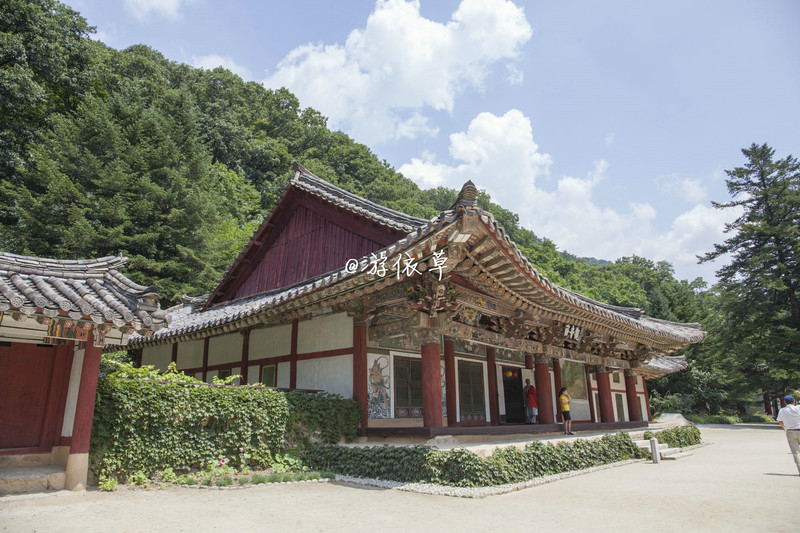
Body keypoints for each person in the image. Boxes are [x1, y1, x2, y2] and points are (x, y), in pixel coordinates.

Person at [776, 394, 800, 476]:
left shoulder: (782, 410)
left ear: (785, 402)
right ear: (794, 402)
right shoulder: (798, 408)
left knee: (796, 452)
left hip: (790, 431)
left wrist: (784, 428)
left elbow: (780, 421)